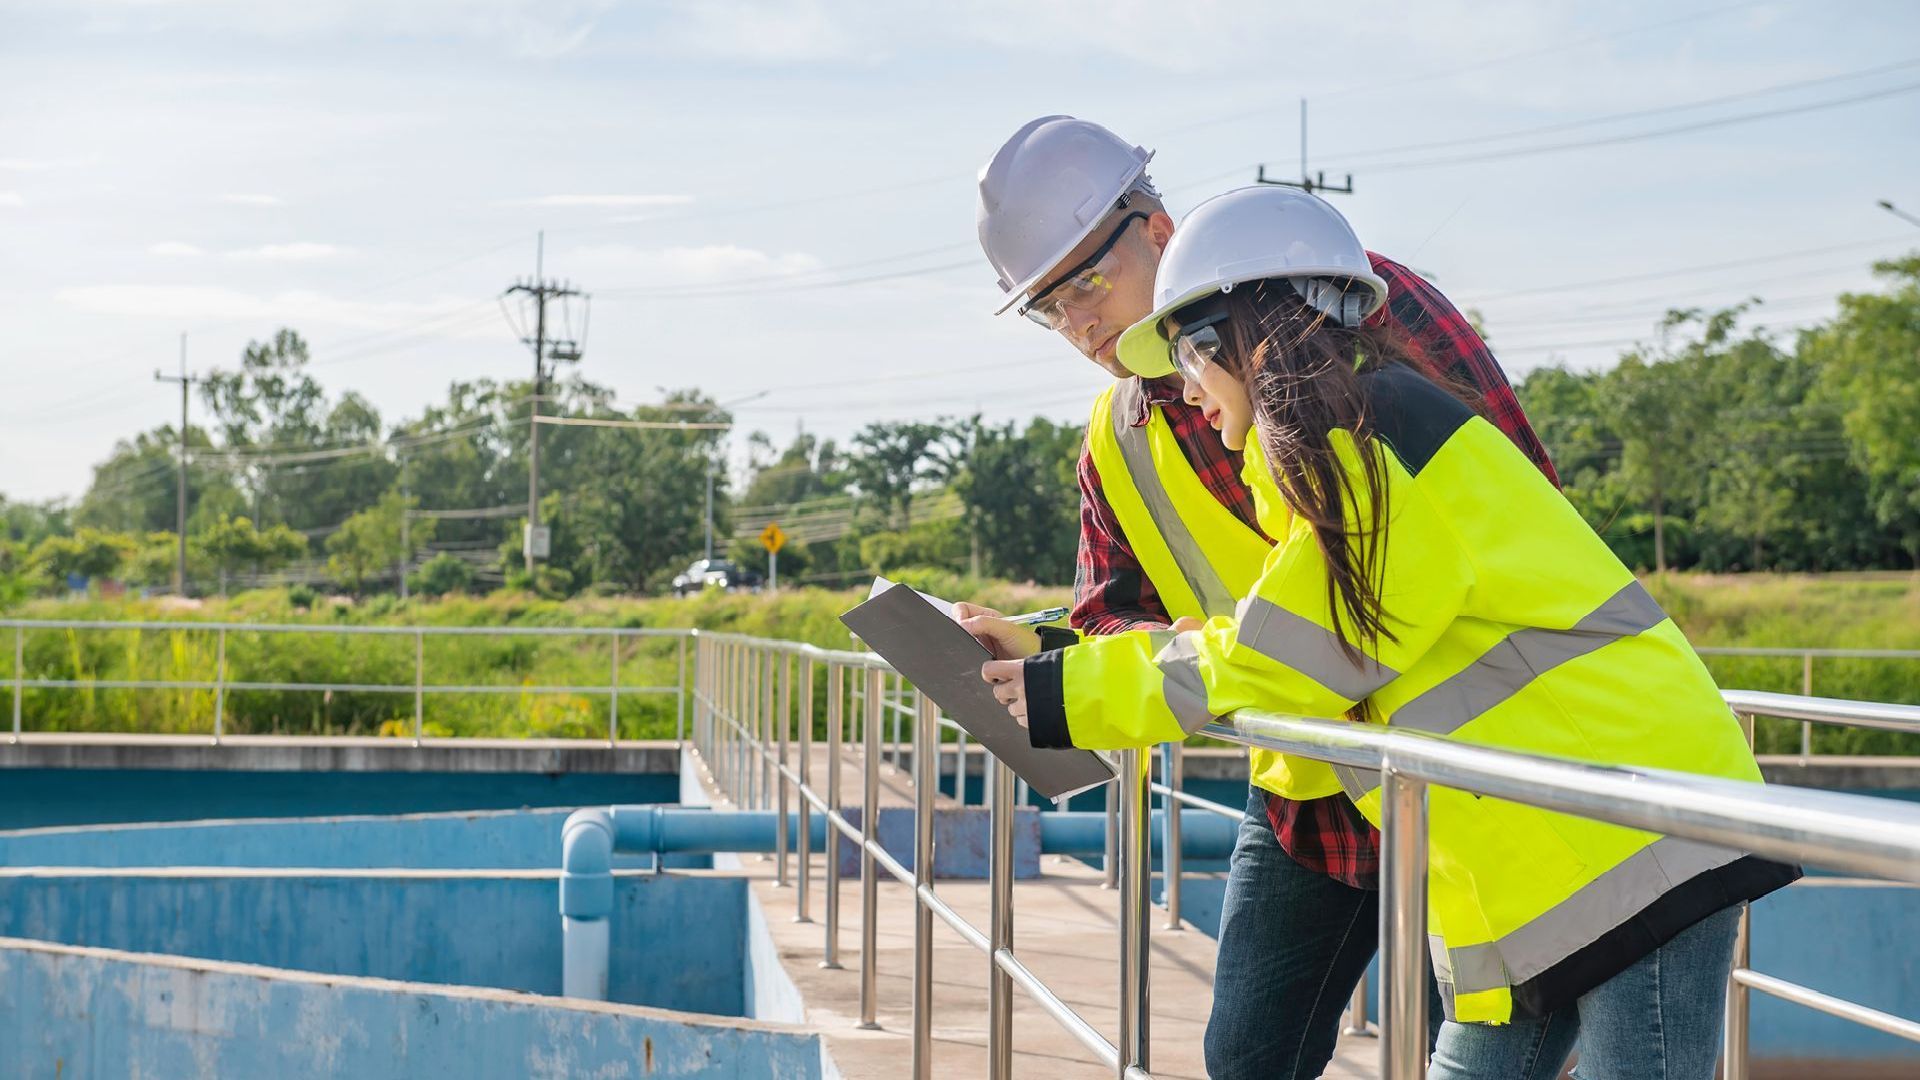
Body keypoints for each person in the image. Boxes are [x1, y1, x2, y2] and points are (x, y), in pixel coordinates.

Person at [979, 184, 1801, 1080]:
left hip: (1638, 837)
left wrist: (1065, 693)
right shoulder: (1334, 456)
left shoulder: (1378, 447)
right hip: (1525, 870)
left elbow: (1287, 656)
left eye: (1185, 354)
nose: (1180, 388)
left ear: (1234, 342)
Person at [967, 115, 1559, 1079]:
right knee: (1247, 1057)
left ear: (1155, 232)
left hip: (1454, 771)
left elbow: (1517, 501)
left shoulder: (1349, 301)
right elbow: (1114, 611)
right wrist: (1047, 652)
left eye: (1085, 281)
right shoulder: (1116, 441)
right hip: (1307, 794)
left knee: (1461, 1053)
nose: (1079, 324)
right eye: (1048, 306)